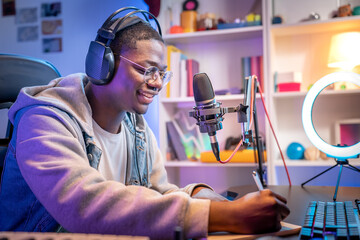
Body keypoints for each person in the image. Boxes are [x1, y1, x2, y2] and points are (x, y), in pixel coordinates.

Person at [0, 8, 290, 239]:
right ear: (103, 63)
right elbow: (84, 206)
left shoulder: (136, 127)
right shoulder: (43, 120)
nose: (156, 83)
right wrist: (228, 217)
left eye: (162, 73)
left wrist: (204, 197)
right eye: (147, 70)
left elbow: (155, 193)